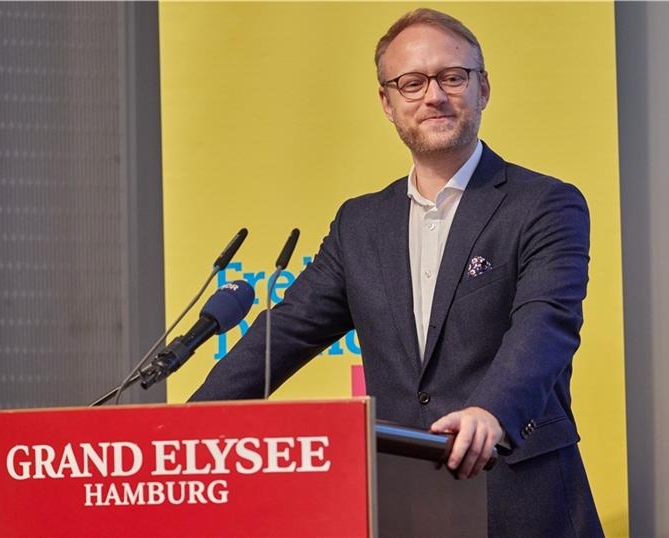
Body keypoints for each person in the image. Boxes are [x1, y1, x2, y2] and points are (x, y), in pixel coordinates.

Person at [191, 8, 603, 537]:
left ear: (483, 88)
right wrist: (185, 427)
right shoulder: (360, 224)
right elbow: (286, 331)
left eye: (453, 77)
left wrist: (490, 413)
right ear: (387, 103)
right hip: (403, 503)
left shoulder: (544, 204)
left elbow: (545, 324)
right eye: (412, 83)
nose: (434, 95)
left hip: (522, 498)